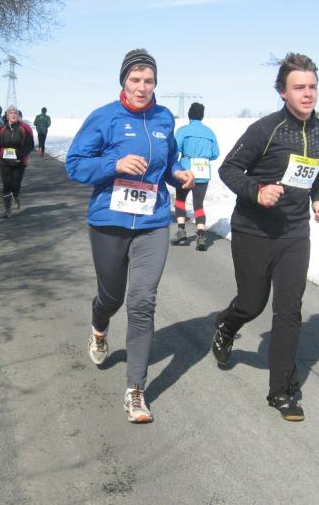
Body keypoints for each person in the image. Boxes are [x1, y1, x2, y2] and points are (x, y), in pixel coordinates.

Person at [65, 48, 194, 423]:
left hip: (152, 221)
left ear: (156, 84)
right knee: (112, 297)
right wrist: (115, 163)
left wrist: (179, 173)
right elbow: (74, 164)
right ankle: (99, 326)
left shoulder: (164, 118)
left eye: (149, 81)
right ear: (123, 81)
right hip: (109, 221)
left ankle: (135, 390)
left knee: (141, 301)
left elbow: (168, 161)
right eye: (135, 80)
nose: (142, 87)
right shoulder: (104, 117)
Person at [212, 53, 319, 422]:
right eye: (299, 87)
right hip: (254, 231)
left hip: (295, 233)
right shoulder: (266, 130)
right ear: (282, 92)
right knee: (252, 303)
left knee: (289, 310)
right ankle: (227, 326)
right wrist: (257, 191)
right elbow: (229, 169)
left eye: (312, 87)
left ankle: (281, 391)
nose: (307, 94)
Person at [171, 102, 220, 251]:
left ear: (189, 115)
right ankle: (201, 236)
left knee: (180, 200)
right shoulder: (210, 132)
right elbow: (215, 154)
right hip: (203, 172)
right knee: (199, 204)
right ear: (202, 116)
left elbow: (175, 150)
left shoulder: (183, 130)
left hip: (186, 171)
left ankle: (181, 231)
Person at [0, 105, 35, 217]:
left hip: (19, 161)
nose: (13, 114)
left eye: (15, 113)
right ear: (7, 116)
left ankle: (16, 195)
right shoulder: (1, 129)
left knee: (15, 184)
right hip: (4, 161)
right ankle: (7, 209)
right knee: (6, 185)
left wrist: (20, 154)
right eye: (11, 113)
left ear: (18, 116)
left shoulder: (24, 129)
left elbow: (30, 145)